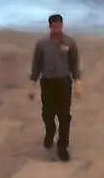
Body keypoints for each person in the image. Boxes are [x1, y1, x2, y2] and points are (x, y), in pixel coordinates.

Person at [29, 13, 81, 161]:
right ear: (50, 27)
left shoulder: (69, 43)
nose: (57, 29)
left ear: (62, 26)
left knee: (64, 115)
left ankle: (62, 146)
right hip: (48, 82)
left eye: (59, 26)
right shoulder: (42, 44)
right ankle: (50, 131)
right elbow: (37, 64)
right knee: (48, 113)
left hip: (63, 82)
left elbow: (74, 63)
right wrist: (31, 85)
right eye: (54, 27)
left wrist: (78, 83)